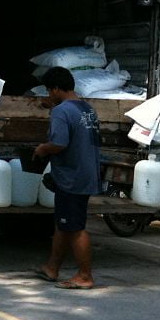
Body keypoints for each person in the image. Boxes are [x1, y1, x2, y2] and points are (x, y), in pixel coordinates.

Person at [32, 66, 102, 290]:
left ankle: (84, 275)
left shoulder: (61, 111)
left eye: (48, 91)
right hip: (87, 172)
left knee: (75, 227)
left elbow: (59, 143)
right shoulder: (87, 109)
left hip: (72, 177)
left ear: (54, 89)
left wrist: (42, 149)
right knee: (63, 224)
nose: (48, 95)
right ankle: (52, 268)